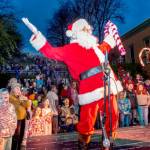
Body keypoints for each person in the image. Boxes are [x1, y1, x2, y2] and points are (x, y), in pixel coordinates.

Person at [22, 18, 123, 147]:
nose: (88, 31)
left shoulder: (95, 47)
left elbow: (106, 45)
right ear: (77, 32)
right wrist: (37, 35)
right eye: (84, 29)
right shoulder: (70, 49)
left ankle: (108, 141)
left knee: (113, 114)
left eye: (88, 29)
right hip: (89, 88)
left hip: (107, 84)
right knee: (87, 120)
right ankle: (83, 142)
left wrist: (111, 33)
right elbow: (51, 52)